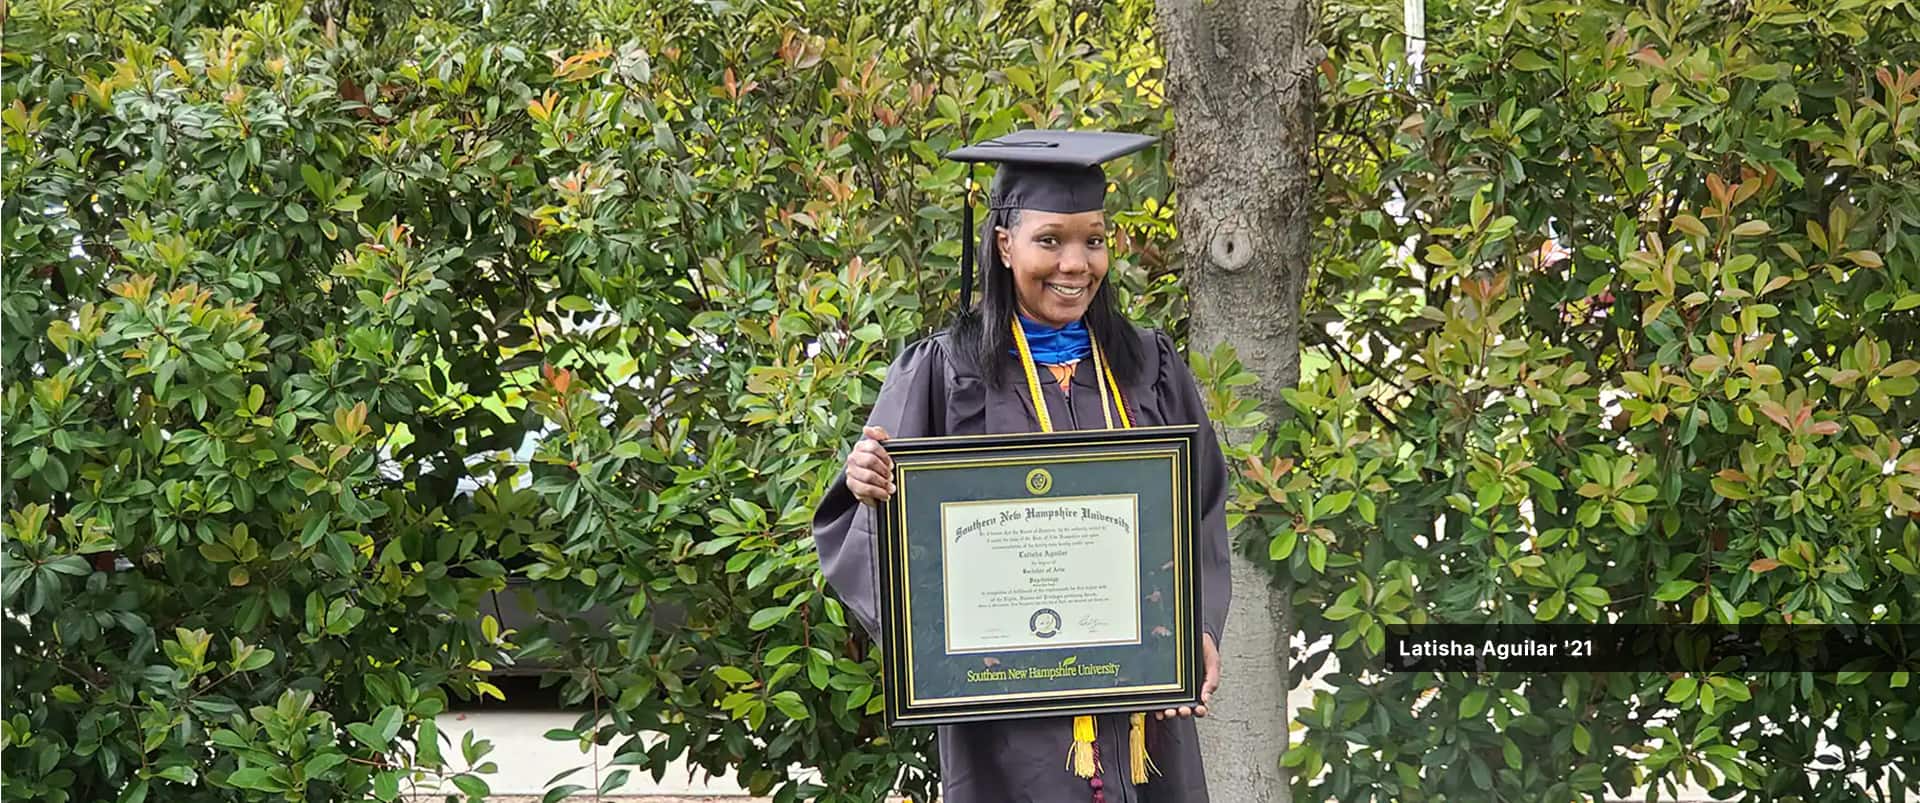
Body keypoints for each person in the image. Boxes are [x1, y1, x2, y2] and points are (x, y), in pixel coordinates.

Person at [811, 129, 1233, 803]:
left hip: (1144, 708)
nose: (1075, 263)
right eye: (1050, 240)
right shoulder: (944, 372)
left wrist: (1200, 626)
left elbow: (1202, 508)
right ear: (1004, 245)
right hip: (1008, 717)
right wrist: (869, 491)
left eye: (1093, 239)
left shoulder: (1148, 367)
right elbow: (869, 531)